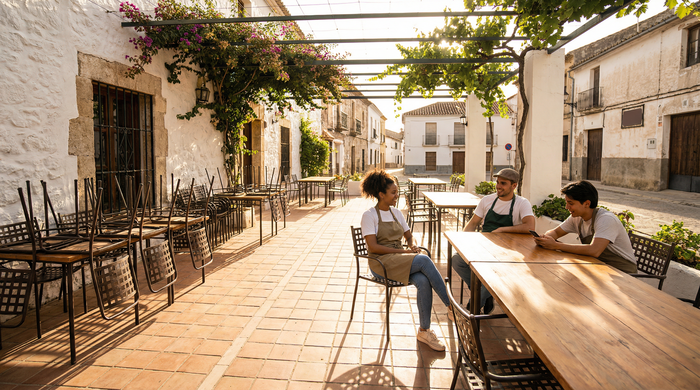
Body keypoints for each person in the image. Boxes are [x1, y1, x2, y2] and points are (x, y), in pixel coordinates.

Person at [360, 169, 451, 351]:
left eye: (397, 192)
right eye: (393, 193)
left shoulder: (397, 213)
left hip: (399, 258)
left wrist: (411, 245)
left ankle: (424, 331)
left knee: (423, 281)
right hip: (381, 263)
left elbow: (409, 236)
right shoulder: (369, 216)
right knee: (424, 261)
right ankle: (452, 308)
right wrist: (403, 253)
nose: (397, 195)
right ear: (381, 194)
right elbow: (374, 247)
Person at [451, 168, 536, 313]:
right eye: (497, 182)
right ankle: (486, 293)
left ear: (514, 185)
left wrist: (503, 229)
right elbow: (472, 223)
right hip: (483, 246)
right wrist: (463, 244)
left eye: (503, 183)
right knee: (456, 260)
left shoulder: (522, 203)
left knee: (494, 273)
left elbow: (530, 227)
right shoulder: (487, 200)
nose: (498, 186)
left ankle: (473, 308)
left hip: (506, 252)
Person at [534, 181, 637, 273]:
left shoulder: (606, 219)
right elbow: (556, 232)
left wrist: (556, 245)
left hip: (624, 273)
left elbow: (594, 250)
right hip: (601, 268)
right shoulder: (577, 218)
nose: (566, 207)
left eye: (571, 203)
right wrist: (545, 238)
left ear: (587, 203)